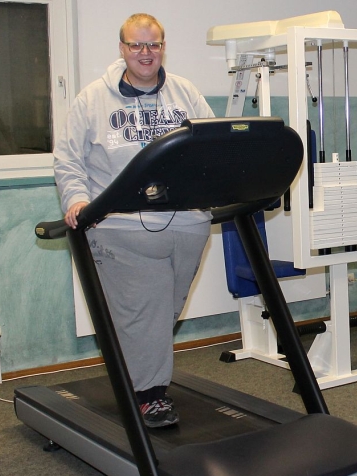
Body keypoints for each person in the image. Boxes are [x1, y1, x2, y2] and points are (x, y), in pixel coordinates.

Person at [53, 13, 215, 428]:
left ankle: (138, 364)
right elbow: (68, 159)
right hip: (120, 226)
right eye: (137, 45)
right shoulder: (92, 99)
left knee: (163, 311)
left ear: (163, 47)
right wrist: (77, 199)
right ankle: (149, 396)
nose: (146, 53)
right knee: (144, 313)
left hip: (186, 224)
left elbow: (213, 147)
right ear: (122, 48)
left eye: (154, 45)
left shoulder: (186, 93)